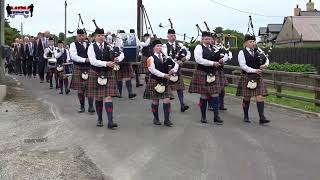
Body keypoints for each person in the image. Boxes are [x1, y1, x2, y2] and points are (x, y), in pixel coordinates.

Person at [87, 28, 124, 129]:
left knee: (108, 97)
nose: (101, 37)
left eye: (102, 35)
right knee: (98, 97)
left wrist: (118, 58)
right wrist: (106, 63)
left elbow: (121, 54)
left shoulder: (110, 46)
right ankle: (99, 118)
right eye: (99, 35)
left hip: (108, 73)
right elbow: (93, 61)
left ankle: (110, 121)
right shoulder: (91, 47)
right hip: (96, 72)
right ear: (95, 37)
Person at [188, 31, 226, 125]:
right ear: (202, 39)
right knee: (204, 96)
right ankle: (203, 116)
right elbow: (199, 60)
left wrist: (221, 60)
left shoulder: (214, 48)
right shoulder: (199, 47)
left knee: (215, 95)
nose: (208, 40)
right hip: (202, 73)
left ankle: (216, 116)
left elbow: (221, 56)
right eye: (206, 39)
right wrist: (212, 63)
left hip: (213, 73)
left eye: (209, 39)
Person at [236, 34, 270, 125]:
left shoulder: (258, 50)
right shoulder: (242, 52)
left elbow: (266, 59)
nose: (253, 43)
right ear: (246, 43)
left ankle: (262, 117)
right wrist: (254, 70)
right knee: (247, 97)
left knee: (260, 96)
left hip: (257, 77)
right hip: (247, 76)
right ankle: (246, 115)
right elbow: (243, 66)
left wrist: (265, 65)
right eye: (250, 42)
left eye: (254, 41)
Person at [143, 39, 178, 127]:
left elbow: (176, 64)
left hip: (164, 81)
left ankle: (167, 120)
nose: (159, 48)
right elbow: (152, 70)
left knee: (167, 100)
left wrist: (173, 70)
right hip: (155, 80)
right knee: (155, 101)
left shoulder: (166, 57)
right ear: (153, 48)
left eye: (160, 46)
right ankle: (156, 118)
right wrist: (164, 75)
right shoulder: (150, 58)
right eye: (157, 46)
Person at [162, 28, 191, 112]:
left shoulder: (180, 45)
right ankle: (168, 107)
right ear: (167, 36)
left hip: (178, 70)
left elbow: (188, 53)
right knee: (168, 89)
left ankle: (182, 105)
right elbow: (167, 57)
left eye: (174, 35)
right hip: (168, 70)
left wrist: (183, 59)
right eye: (171, 35)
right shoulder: (164, 46)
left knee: (180, 88)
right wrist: (177, 62)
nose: (173, 37)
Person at [69, 29, 95, 113]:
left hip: (89, 68)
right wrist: (85, 60)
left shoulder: (89, 44)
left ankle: (91, 106)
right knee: (80, 89)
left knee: (90, 88)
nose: (81, 37)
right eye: (79, 36)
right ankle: (82, 106)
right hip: (78, 68)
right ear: (77, 36)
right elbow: (73, 56)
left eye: (83, 35)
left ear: (85, 35)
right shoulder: (73, 44)